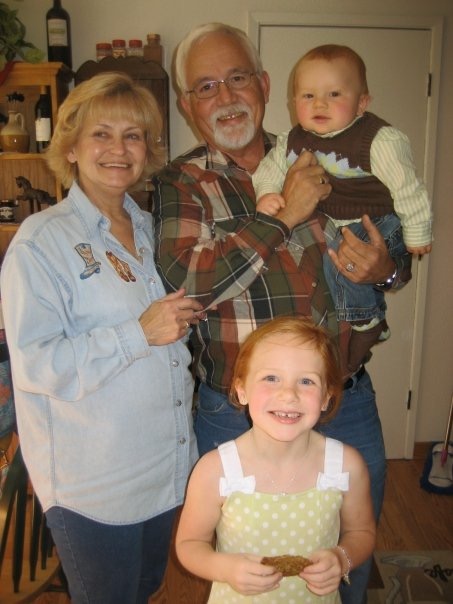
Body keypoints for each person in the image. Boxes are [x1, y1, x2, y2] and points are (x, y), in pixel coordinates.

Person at [152, 23, 411, 603]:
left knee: (347, 561)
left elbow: (391, 256)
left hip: (344, 399)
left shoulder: (330, 154)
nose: (225, 97)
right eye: (205, 87)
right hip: (238, 412)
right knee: (249, 569)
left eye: (237, 78)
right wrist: (284, 216)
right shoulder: (181, 182)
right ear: (188, 105)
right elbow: (187, 281)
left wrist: (385, 270)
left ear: (265, 86)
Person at [0, 72, 204, 604]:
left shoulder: (153, 229)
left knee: (147, 589)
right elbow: (38, 365)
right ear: (70, 147)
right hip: (95, 486)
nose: (119, 149)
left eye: (133, 135)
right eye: (101, 134)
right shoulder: (41, 242)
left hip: (165, 468)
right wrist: (139, 333)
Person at [252, 44, 433, 374]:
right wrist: (267, 194)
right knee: (335, 260)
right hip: (345, 227)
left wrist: (418, 234)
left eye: (334, 94)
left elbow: (408, 188)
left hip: (380, 221)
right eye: (308, 96)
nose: (319, 104)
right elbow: (268, 171)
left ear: (362, 103)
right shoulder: (291, 142)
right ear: (293, 102)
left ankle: (366, 324)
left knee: (337, 260)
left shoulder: (378, 140)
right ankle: (370, 319)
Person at [176, 317, 376, 603]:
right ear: (241, 390)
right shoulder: (215, 470)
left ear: (326, 397)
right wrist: (225, 568)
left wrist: (342, 558)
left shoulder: (346, 466)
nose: (288, 394)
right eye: (271, 378)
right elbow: (189, 544)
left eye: (306, 381)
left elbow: (362, 531)